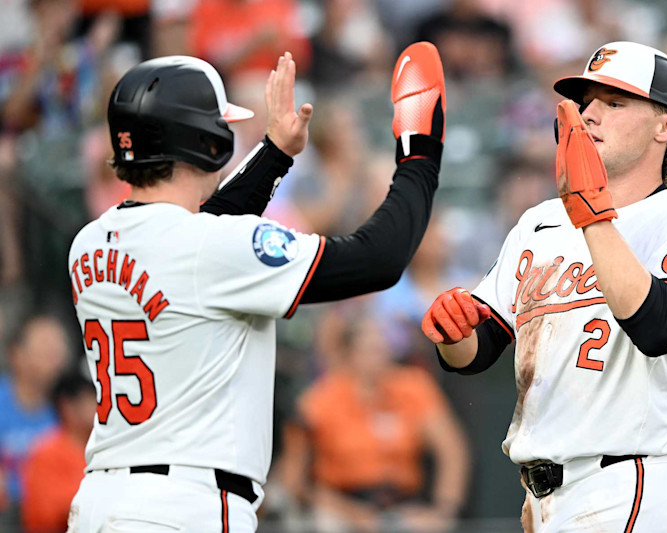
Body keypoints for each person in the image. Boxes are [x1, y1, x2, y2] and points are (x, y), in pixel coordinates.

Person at [67, 42, 446, 532]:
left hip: (100, 501)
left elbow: (203, 235)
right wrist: (420, 155)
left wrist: (274, 153)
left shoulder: (89, 241)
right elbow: (378, 260)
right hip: (185, 507)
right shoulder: (208, 247)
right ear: (206, 143)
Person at [421, 41, 667, 532]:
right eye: (587, 102)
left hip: (625, 483)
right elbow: (480, 351)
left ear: (666, 126)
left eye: (615, 102)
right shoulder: (540, 222)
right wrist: (452, 333)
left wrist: (593, 213)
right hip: (541, 494)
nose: (591, 115)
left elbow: (660, 329)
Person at [280, 307, 469, 533]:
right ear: (348, 353)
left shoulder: (414, 387)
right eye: (368, 349)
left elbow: (452, 450)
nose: (378, 355)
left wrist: (443, 509)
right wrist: (349, 511)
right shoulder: (319, 400)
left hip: (404, 503)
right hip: (341, 505)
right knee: (327, 525)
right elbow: (295, 481)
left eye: (382, 348)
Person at [0, 315, 70, 526]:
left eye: (58, 347)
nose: (55, 356)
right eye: (45, 348)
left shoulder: (71, 409)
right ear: (17, 354)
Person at [20, 371, 96, 533]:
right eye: (90, 398)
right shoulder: (46, 453)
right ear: (67, 406)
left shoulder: (102, 447)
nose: (97, 405)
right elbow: (48, 515)